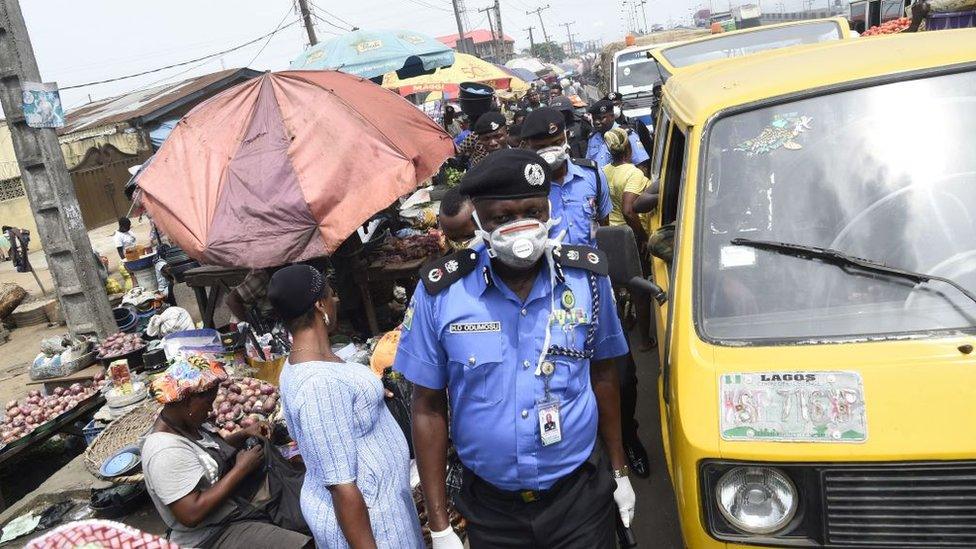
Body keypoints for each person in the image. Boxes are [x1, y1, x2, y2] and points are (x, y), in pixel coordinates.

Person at [395, 148, 635, 549]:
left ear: (548, 210)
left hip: (578, 498)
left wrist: (620, 470)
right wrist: (439, 525)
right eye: (502, 218)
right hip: (491, 511)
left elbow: (604, 375)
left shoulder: (587, 281)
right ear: (478, 222)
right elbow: (428, 406)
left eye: (532, 212)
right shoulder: (442, 293)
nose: (521, 228)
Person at [271, 265, 424, 549]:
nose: (337, 300)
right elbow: (340, 484)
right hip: (372, 522)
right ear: (319, 305)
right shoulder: (318, 385)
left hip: (382, 506)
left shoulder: (310, 362)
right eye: (331, 294)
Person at [143, 356, 312, 548]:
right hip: (211, 534)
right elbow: (191, 513)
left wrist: (244, 434)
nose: (210, 410)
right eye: (208, 403)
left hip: (232, 510)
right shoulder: (165, 452)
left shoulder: (187, 424)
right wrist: (241, 470)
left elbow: (208, 456)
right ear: (189, 401)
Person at [602, 128, 655, 477]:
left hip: (607, 262)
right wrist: (638, 232)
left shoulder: (600, 172)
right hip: (622, 240)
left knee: (623, 379)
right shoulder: (633, 174)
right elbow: (627, 208)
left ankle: (628, 439)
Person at [521, 107, 611, 247]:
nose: (551, 151)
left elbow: (604, 223)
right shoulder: (524, 187)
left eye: (556, 143)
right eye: (542, 146)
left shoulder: (592, 174)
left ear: (566, 136)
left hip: (593, 263)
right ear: (528, 147)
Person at [587, 99, 650, 173]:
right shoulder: (593, 138)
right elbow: (589, 165)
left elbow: (642, 165)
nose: (597, 122)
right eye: (594, 119)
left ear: (612, 116)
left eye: (601, 118)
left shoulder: (626, 135)